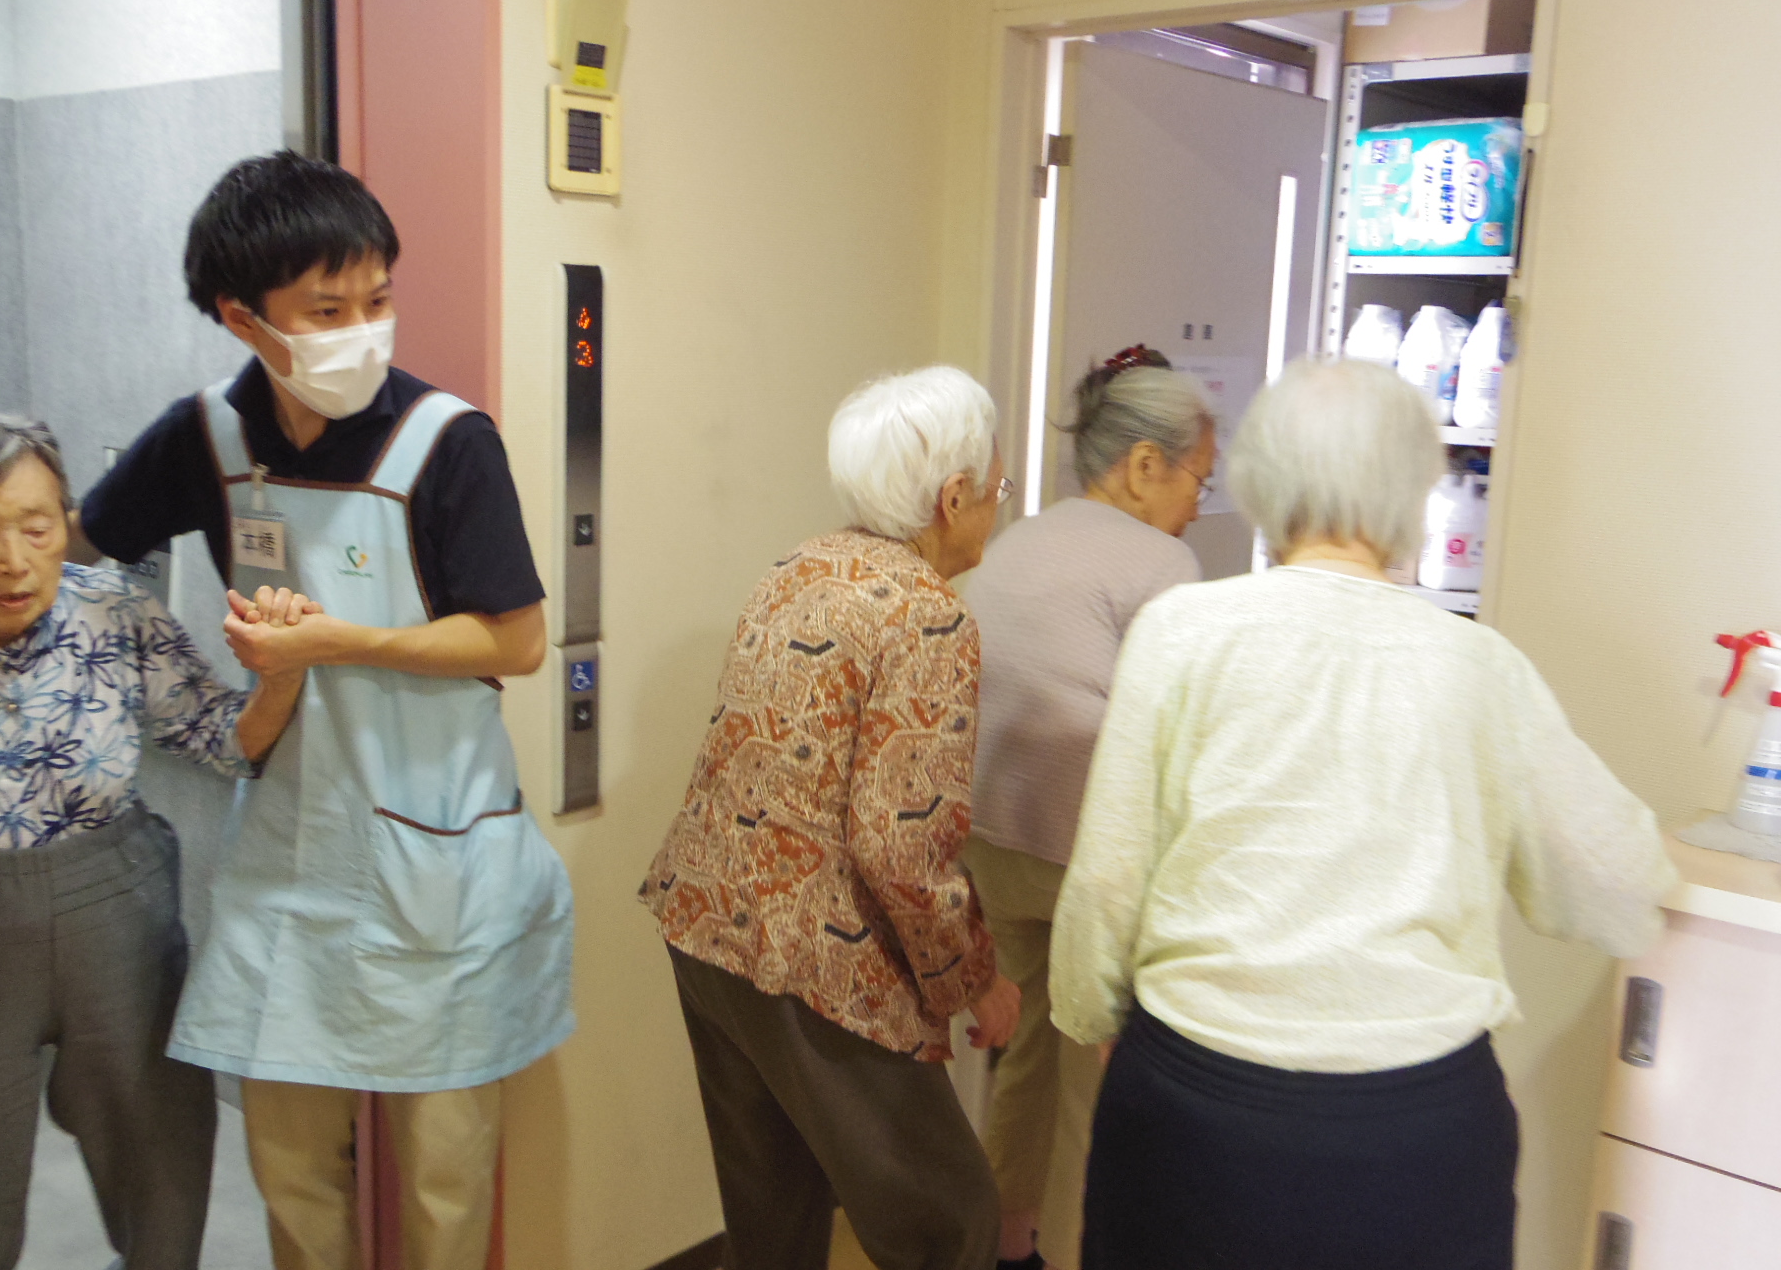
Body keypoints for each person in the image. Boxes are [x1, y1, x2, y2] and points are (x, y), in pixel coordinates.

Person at [1049, 357, 1679, 1270]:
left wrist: (1097, 1020)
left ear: (1263, 482)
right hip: (1416, 1137)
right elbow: (1616, 885)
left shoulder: (1180, 632)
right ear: (1413, 495)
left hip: (1196, 1106)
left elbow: (1107, 880)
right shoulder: (1479, 668)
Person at [78, 151, 571, 1270]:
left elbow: (517, 640)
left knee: (444, 1183)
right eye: (328, 310)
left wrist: (337, 641)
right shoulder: (205, 437)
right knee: (294, 1174)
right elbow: (80, 548)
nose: (363, 331)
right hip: (289, 861)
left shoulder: (447, 440)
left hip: (437, 857)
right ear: (242, 317)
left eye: (377, 300)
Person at [0, 402, 309, 1269]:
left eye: (38, 527)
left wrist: (280, 676)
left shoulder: (115, 612)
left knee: (159, 1160)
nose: (14, 560)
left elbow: (225, 739)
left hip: (116, 911)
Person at [641, 366, 1022, 1270]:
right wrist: (975, 979)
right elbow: (900, 845)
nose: (996, 508)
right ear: (953, 497)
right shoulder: (928, 617)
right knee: (951, 1224)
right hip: (813, 957)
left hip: (706, 924)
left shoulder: (800, 567)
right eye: (997, 489)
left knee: (771, 1219)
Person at [961, 345, 1212, 1270]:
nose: (1198, 505)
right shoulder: (1164, 563)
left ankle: (1003, 1242)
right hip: (1081, 860)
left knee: (1025, 1056)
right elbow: (1177, 734)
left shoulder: (1018, 538)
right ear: (1144, 465)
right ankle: (1073, 1251)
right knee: (1086, 1086)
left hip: (990, 844)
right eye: (1198, 479)